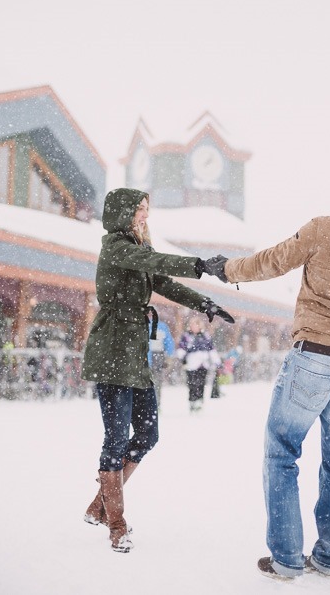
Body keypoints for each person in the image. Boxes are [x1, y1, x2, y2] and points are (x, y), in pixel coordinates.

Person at [201, 165, 330, 581]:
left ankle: (286, 558)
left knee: (281, 453)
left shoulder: (326, 229)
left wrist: (225, 269)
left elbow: (272, 262)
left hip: (313, 356)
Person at [81, 188, 234, 553]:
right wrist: (200, 264)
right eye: (140, 209)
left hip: (135, 353)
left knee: (148, 433)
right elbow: (163, 265)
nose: (145, 216)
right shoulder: (117, 246)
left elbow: (165, 282)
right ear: (123, 213)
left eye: (147, 209)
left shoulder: (140, 248)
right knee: (116, 437)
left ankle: (100, 502)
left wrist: (205, 302)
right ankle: (116, 524)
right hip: (114, 346)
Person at [176, 315, 222, 412]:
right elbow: (181, 348)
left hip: (203, 364)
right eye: (192, 325)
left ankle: (199, 401)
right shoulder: (186, 336)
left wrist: (217, 362)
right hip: (191, 364)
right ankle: (192, 401)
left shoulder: (205, 336)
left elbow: (211, 350)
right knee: (192, 384)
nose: (194, 327)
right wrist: (182, 356)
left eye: (196, 325)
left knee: (201, 383)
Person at [147, 319, 175, 409]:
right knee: (151, 382)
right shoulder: (146, 324)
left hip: (156, 356)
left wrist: (169, 356)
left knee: (156, 381)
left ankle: (155, 404)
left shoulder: (161, 326)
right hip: (149, 356)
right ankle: (150, 404)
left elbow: (169, 342)